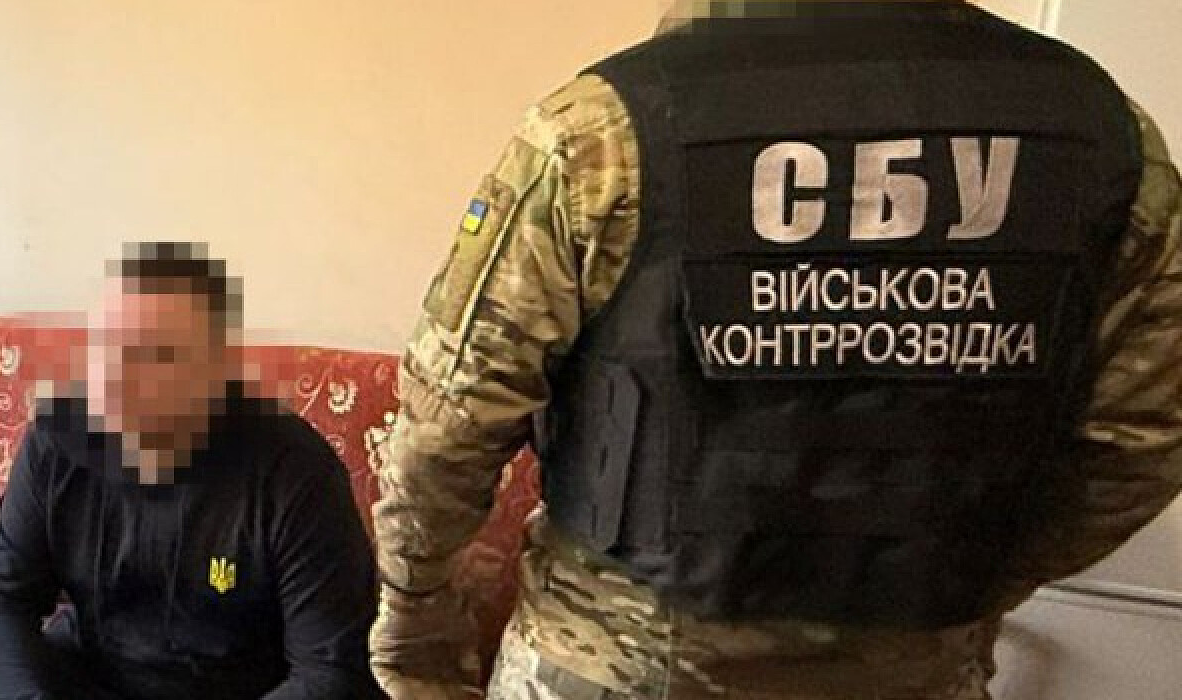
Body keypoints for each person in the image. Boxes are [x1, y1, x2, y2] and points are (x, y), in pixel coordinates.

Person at [370, 2, 1182, 699]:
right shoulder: (1108, 137)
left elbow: (451, 423)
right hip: (913, 670)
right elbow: (1143, 443)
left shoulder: (605, 132)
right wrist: (965, 581)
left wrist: (413, 613)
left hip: (621, 663)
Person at [0, 242, 384, 700]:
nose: (115, 376)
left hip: (235, 688)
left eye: (152, 355)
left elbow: (330, 673)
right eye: (105, 347)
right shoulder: (58, 440)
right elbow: (1, 598)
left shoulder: (293, 471)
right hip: (93, 671)